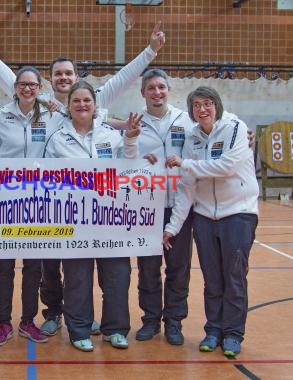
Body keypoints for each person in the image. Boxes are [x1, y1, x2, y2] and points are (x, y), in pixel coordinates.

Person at [0, 19, 165, 336]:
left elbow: (124, 78)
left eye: (68, 74)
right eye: (58, 73)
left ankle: (83, 317)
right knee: (49, 264)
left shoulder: (91, 101)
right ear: (51, 79)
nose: (63, 78)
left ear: (76, 78)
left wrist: (151, 51)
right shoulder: (43, 104)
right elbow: (12, 80)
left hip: (90, 206)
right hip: (46, 200)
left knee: (83, 265)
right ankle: (54, 312)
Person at [44, 81, 141, 352]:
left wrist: (131, 139)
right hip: (74, 221)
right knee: (77, 278)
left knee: (118, 274)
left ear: (95, 105)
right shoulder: (57, 139)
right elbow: (47, 180)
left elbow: (129, 167)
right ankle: (79, 329)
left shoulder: (110, 135)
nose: (82, 105)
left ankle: (116, 329)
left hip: (111, 219)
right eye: (76, 101)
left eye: (87, 100)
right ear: (68, 106)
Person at [163, 86, 259, 358]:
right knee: (212, 279)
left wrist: (185, 164)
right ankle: (213, 330)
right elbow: (187, 187)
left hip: (238, 214)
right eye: (196, 105)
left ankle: (232, 334)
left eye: (207, 104)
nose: (202, 109)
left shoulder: (235, 128)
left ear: (216, 105)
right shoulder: (192, 138)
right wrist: (172, 227)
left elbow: (227, 166)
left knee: (234, 277)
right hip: (205, 217)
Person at [0, 66, 66, 346]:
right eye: (23, 84)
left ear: (39, 88)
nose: (28, 89)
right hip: (7, 200)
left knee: (34, 266)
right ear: (15, 86)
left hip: (39, 202)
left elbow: (89, 120)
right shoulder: (0, 116)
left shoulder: (53, 115)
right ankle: (4, 322)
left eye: (33, 85)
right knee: (4, 265)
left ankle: (28, 321)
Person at [132, 69, 195, 346]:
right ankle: (149, 319)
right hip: (147, 208)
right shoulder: (135, 122)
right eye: (151, 88)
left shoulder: (186, 120)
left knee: (178, 268)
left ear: (169, 90)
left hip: (180, 207)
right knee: (147, 268)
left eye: (161, 87)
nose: (157, 92)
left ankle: (174, 321)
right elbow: (125, 158)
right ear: (142, 93)